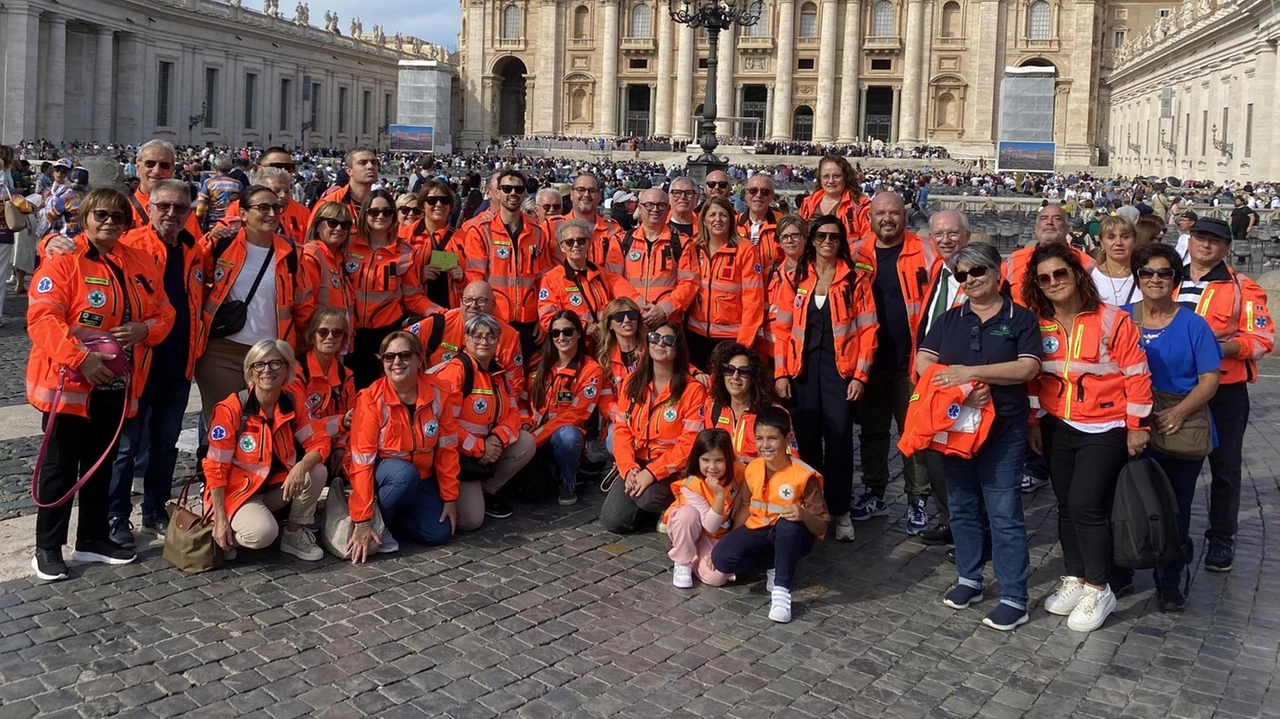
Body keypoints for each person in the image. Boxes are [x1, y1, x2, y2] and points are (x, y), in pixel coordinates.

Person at [27, 189, 175, 581]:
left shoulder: (140, 261)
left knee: (100, 465)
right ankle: (48, 546)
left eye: (118, 217)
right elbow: (43, 319)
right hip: (69, 383)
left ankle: (92, 538)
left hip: (116, 383)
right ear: (85, 218)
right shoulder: (63, 261)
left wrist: (146, 328)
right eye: (101, 215)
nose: (110, 222)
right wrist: (82, 359)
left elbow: (165, 311)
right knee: (60, 469)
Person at [1024, 242, 1152, 632]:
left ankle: (1100, 585)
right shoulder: (1037, 322)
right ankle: (1076, 576)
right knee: (1065, 505)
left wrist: (1137, 427)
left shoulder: (1113, 320)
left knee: (1086, 505)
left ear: (1077, 275)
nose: (1053, 282)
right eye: (1044, 278)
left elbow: (1137, 375)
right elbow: (1033, 377)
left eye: (1060, 273)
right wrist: (1033, 421)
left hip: (1105, 425)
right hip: (1056, 423)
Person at [916, 243, 1042, 631]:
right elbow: (924, 360)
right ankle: (969, 577)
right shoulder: (950, 319)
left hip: (1003, 427)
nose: (969, 280)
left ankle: (1014, 596)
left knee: (1004, 513)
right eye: (961, 275)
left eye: (977, 272)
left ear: (996, 273)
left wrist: (974, 375)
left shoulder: (1020, 318)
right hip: (957, 426)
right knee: (962, 506)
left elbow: (1027, 368)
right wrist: (957, 386)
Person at [106, 179, 204, 547]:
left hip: (179, 363)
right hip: (138, 363)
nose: (171, 214)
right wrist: (54, 240)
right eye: (163, 206)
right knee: (128, 447)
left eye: (180, 208)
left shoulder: (196, 250)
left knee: (166, 444)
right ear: (149, 208)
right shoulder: (129, 245)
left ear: (189, 212)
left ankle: (154, 509)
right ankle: (116, 515)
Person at [1126, 243, 1221, 611]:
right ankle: (1124, 570)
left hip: (1176, 423)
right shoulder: (1122, 317)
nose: (1155, 279)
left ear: (1175, 280)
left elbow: (1209, 379)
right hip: (1133, 423)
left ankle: (1169, 580)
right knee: (1127, 500)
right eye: (1147, 272)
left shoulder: (1194, 324)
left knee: (1174, 507)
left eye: (1164, 273)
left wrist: (1180, 411)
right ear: (1137, 278)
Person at [771, 216, 877, 541]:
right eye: (821, 237)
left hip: (839, 370)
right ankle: (815, 507)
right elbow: (782, 328)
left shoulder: (855, 279)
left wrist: (860, 375)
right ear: (812, 241)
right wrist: (781, 372)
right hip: (803, 370)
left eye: (833, 237)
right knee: (807, 440)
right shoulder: (795, 277)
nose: (827, 243)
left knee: (840, 439)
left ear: (841, 241)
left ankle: (841, 509)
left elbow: (868, 329)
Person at [1177, 217, 1273, 572]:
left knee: (1225, 467)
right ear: (1189, 241)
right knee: (1175, 465)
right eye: (1200, 238)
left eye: (1214, 241)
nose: (1206, 245)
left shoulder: (1243, 288)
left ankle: (1221, 538)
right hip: (1174, 388)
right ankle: (1174, 536)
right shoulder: (1164, 279)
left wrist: (1226, 348)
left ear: (1226, 248)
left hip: (1224, 390)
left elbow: (1262, 340)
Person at [850, 192, 939, 534]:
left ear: (905, 216)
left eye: (894, 213)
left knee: (912, 435)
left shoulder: (926, 251)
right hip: (868, 361)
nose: (887, 219)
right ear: (869, 217)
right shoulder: (858, 252)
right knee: (872, 432)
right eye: (880, 213)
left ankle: (918, 498)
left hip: (910, 361)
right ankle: (875, 491)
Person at [205, 340, 329, 561]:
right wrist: (221, 517)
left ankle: (293, 533)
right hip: (237, 494)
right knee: (263, 534)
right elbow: (215, 467)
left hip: (273, 488)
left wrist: (301, 466)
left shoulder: (292, 401)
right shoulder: (232, 408)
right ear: (250, 371)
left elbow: (319, 441)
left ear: (287, 369)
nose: (267, 370)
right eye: (259, 365)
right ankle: (225, 524)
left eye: (275, 363)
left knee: (316, 471)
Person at [1002, 202, 1094, 493]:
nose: (1050, 223)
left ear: (1067, 228)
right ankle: (1026, 460)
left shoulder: (1086, 263)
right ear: (1035, 226)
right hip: (1020, 341)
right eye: (1044, 218)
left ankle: (1045, 464)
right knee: (1024, 402)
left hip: (1066, 342)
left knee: (1055, 400)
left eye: (1057, 219)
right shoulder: (1015, 260)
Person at [195, 185, 301, 431]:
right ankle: (210, 467)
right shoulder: (222, 244)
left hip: (268, 353)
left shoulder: (291, 251)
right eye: (263, 208)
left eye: (277, 208)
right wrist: (207, 239)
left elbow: (300, 305)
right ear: (242, 213)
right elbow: (196, 278)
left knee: (258, 424)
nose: (272, 214)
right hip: (222, 351)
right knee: (222, 422)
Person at [347, 331, 461, 556]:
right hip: (386, 476)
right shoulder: (371, 399)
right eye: (389, 357)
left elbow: (448, 449)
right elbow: (361, 462)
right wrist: (362, 519)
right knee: (404, 475)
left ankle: (395, 520)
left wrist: (449, 497)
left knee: (438, 534)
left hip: (423, 478)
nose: (396, 362)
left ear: (420, 359)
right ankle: (378, 523)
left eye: (405, 355)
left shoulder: (439, 392)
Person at [710, 408, 830, 623]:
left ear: (788, 439)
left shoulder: (804, 475)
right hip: (759, 530)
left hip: (793, 535)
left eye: (773, 438)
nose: (765, 445)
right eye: (759, 438)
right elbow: (747, 505)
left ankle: (782, 592)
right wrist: (732, 539)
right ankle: (776, 562)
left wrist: (803, 514)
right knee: (721, 558)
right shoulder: (753, 468)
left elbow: (821, 527)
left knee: (788, 525)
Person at [429, 313, 536, 528]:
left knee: (526, 442)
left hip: (483, 451)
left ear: (498, 341)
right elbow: (445, 425)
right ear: (466, 340)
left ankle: (485, 490)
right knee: (471, 521)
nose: (484, 341)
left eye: (490, 336)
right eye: (477, 336)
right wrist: (480, 448)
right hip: (456, 455)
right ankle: (440, 492)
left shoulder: (498, 373)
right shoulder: (457, 372)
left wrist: (497, 438)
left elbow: (512, 414)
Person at [601, 322, 709, 534]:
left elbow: (689, 444)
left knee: (648, 498)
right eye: (655, 338)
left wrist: (651, 473)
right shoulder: (633, 382)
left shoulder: (692, 390)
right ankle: (650, 509)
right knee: (613, 521)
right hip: (637, 462)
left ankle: (674, 505)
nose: (660, 344)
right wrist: (628, 468)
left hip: (673, 467)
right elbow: (622, 430)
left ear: (678, 349)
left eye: (668, 340)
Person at [915, 209, 973, 545]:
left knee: (963, 456)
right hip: (933, 379)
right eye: (939, 235)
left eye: (952, 234)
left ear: (967, 235)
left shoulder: (978, 275)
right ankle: (948, 520)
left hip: (965, 380)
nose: (946, 240)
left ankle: (971, 531)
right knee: (935, 454)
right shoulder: (938, 271)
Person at [344, 189, 435, 389]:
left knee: (382, 388)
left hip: (385, 333)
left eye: (387, 212)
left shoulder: (405, 252)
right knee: (350, 388)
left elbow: (413, 297)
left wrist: (440, 312)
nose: (380, 216)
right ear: (364, 214)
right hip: (349, 331)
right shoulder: (347, 244)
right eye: (374, 212)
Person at [461, 169, 554, 361]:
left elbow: (544, 280)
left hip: (529, 322)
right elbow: (475, 280)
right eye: (507, 188)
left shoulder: (537, 231)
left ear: (524, 194)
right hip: (495, 321)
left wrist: (544, 319)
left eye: (518, 189)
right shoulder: (481, 231)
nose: (513, 193)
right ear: (497, 193)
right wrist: (482, 321)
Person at [526, 311, 609, 506]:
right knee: (531, 492)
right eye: (556, 333)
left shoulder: (591, 370)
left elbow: (576, 414)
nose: (561, 337)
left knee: (568, 435)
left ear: (579, 334)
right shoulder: (537, 362)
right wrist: (524, 424)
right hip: (532, 433)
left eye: (567, 332)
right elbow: (521, 400)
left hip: (560, 438)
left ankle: (568, 481)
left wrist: (537, 436)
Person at [684, 197, 765, 368]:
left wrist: (743, 345)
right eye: (712, 215)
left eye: (723, 215)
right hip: (694, 334)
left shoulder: (745, 250)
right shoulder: (694, 246)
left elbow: (753, 301)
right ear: (704, 220)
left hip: (729, 337)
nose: (717, 220)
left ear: (731, 219)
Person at [604, 188, 698, 327]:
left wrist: (664, 309)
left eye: (661, 205)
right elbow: (613, 278)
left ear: (668, 210)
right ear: (640, 208)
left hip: (667, 321)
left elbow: (689, 283)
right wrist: (638, 305)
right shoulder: (621, 241)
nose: (655, 209)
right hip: (631, 319)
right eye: (649, 205)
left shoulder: (682, 243)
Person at [665, 429, 743, 588]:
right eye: (706, 460)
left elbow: (752, 480)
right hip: (690, 527)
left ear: (728, 459)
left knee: (716, 578)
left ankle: (696, 556)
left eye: (719, 461)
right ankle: (683, 560)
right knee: (688, 514)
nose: (712, 467)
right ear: (697, 459)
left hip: (715, 535)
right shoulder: (692, 484)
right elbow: (710, 525)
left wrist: (742, 495)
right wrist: (720, 496)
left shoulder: (738, 471)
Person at [293, 308, 356, 475]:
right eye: (323, 331)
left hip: (333, 444)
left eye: (337, 333)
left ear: (344, 338)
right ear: (312, 336)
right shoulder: (297, 371)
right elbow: (301, 424)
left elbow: (352, 418)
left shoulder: (346, 375)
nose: (330, 337)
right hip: (302, 445)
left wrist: (342, 448)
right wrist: (340, 423)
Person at [537, 219, 630, 332]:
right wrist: (584, 327)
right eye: (569, 242)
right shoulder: (551, 279)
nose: (576, 245)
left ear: (589, 243)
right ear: (562, 247)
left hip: (603, 341)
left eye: (581, 241)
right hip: (573, 343)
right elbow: (547, 319)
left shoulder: (600, 273)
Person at [705, 341, 784, 465]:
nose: (735, 377)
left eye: (744, 371)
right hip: (721, 479)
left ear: (754, 378)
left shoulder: (774, 412)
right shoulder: (712, 407)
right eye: (729, 370)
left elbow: (788, 459)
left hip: (759, 480)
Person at [295, 201, 356, 335]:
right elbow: (304, 308)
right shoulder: (311, 256)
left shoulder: (339, 257)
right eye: (332, 223)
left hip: (338, 339)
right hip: (319, 340)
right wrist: (312, 338)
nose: (339, 228)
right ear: (317, 226)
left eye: (345, 225)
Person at [407, 179, 465, 309]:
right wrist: (419, 278)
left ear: (450, 206)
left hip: (451, 312)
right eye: (432, 200)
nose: (439, 204)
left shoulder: (464, 238)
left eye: (444, 200)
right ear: (422, 205)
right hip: (416, 313)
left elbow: (475, 278)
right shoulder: (405, 236)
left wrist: (462, 279)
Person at [760, 215, 808, 362]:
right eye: (785, 236)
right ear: (779, 242)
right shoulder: (771, 273)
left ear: (805, 238)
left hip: (801, 352)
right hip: (772, 352)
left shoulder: (815, 272)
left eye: (795, 235)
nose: (790, 240)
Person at [131, 140, 202, 237]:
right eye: (150, 164)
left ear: (172, 170)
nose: (157, 171)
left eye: (164, 165)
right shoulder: (123, 208)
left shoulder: (182, 209)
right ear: (138, 168)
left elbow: (195, 248)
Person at [797, 155, 871, 243]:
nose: (831, 181)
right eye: (825, 176)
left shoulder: (861, 205)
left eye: (836, 176)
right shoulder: (807, 203)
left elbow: (868, 240)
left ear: (846, 178)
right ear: (820, 179)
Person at [595, 296, 644, 426]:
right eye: (619, 317)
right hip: (619, 420)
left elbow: (676, 366)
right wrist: (623, 418)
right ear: (609, 324)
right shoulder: (604, 359)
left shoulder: (651, 351)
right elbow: (606, 400)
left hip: (647, 417)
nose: (627, 320)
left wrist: (695, 373)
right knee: (614, 438)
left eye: (632, 315)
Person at [559, 173, 625, 268]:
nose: (586, 195)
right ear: (571, 195)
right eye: (580, 190)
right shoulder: (556, 226)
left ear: (598, 196)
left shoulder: (614, 229)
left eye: (592, 191)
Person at [312, 147, 380, 220]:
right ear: (349, 171)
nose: (371, 166)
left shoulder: (383, 205)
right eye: (363, 163)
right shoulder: (329, 203)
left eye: (373, 162)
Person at [1091, 216, 1140, 306]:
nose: (1118, 243)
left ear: (1134, 241)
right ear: (1102, 243)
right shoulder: (1089, 277)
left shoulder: (1145, 276)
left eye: (1125, 237)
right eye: (1111, 237)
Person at [738, 174, 783, 269]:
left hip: (773, 281)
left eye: (765, 192)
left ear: (772, 196)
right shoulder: (732, 223)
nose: (758, 195)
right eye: (753, 191)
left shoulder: (784, 224)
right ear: (746, 194)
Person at [196, 154, 244, 233]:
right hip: (232, 224)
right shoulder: (238, 184)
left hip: (212, 224)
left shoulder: (209, 182)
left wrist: (198, 220)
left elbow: (201, 205)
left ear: (216, 167)